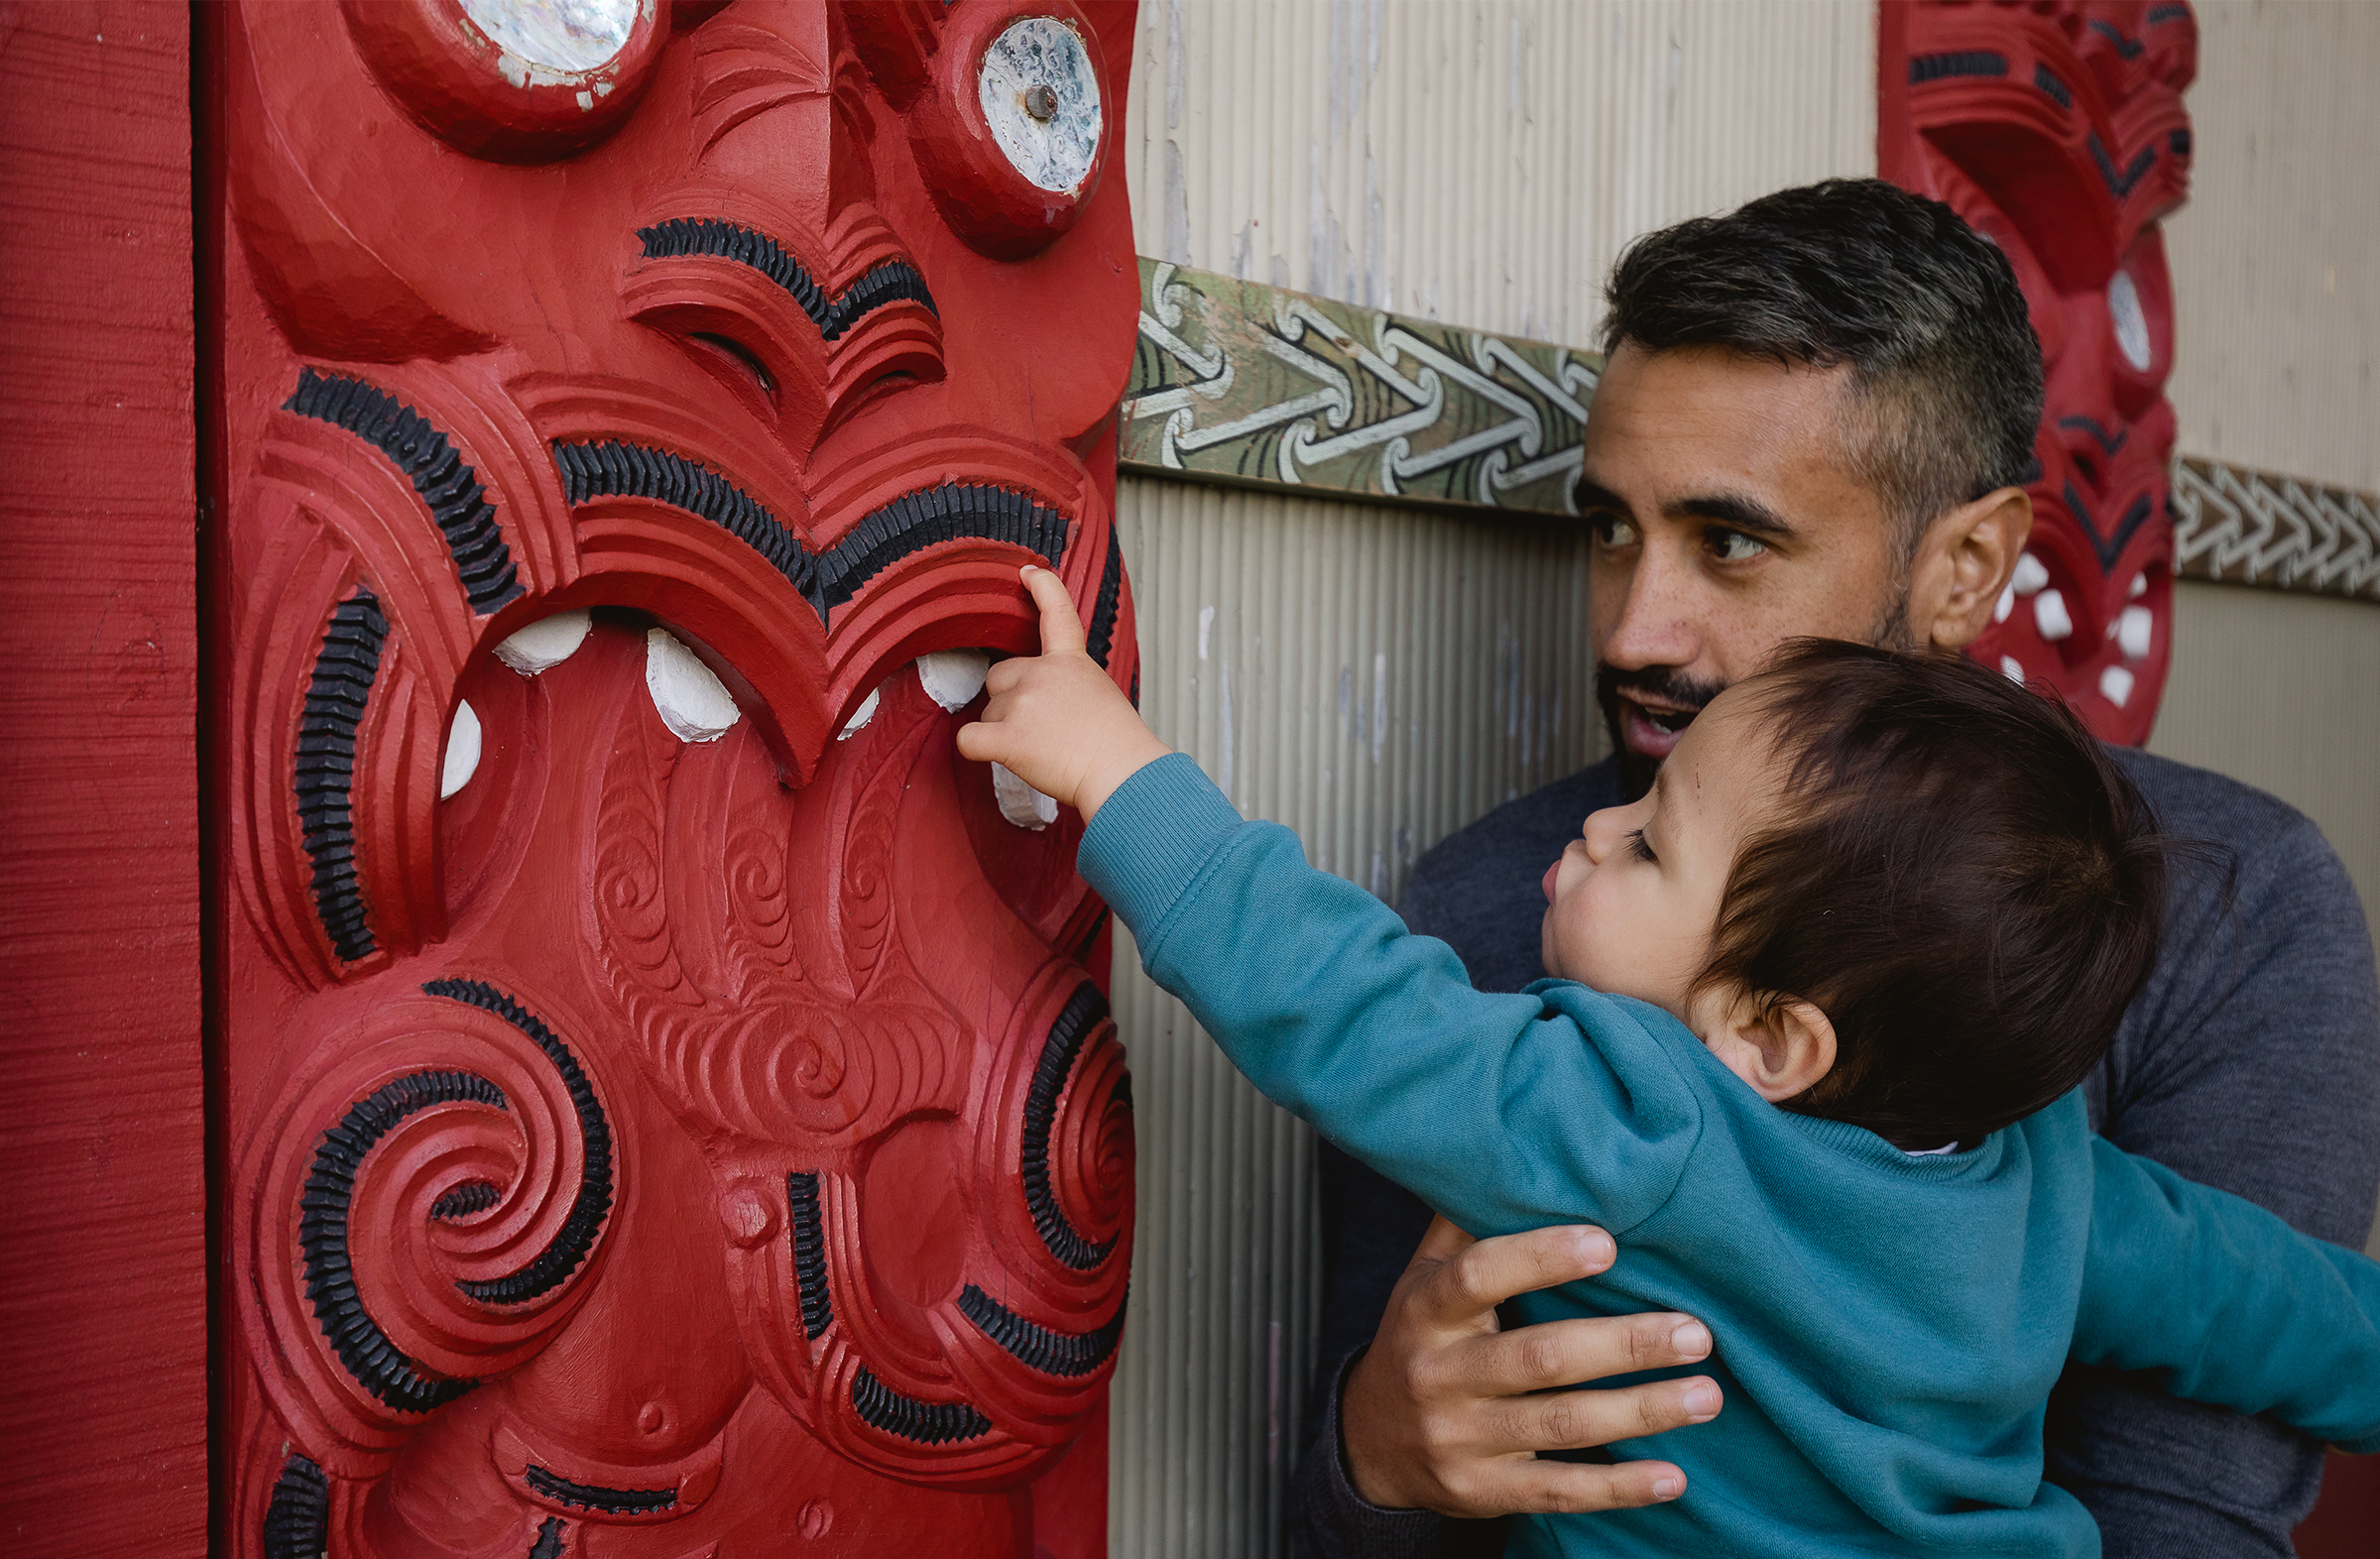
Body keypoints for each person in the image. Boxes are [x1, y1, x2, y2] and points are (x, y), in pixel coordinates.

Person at [1297, 179, 2380, 1557]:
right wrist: (1376, 1461)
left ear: (1968, 565)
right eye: (1611, 526)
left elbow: (2190, 1518)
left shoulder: (2226, 913)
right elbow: (1344, 1512)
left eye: (1730, 541)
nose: (1637, 627)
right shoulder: (1491, 901)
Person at [954, 569, 2380, 1558]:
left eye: (1648, 843)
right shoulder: (2056, 1179)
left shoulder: (1638, 1118)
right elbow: (2266, 1303)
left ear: (1765, 1035)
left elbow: (1349, 1008)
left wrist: (1120, 775)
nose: (1592, 833)